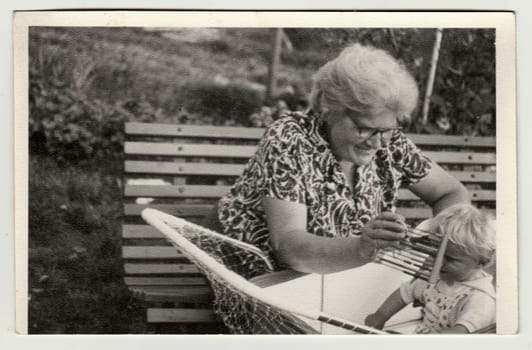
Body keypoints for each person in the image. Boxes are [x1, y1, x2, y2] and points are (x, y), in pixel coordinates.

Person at [217, 43, 471, 275]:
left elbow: (450, 193)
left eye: (387, 129)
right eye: (363, 128)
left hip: (340, 276)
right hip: (264, 275)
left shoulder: (388, 139)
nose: (377, 142)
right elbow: (288, 246)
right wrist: (362, 248)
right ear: (329, 110)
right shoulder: (290, 138)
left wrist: (439, 241)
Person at [364, 204, 496, 334]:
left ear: (481, 262)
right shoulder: (435, 277)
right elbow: (403, 294)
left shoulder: (481, 297)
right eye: (434, 254)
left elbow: (460, 332)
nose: (439, 263)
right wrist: (380, 316)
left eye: (450, 259)